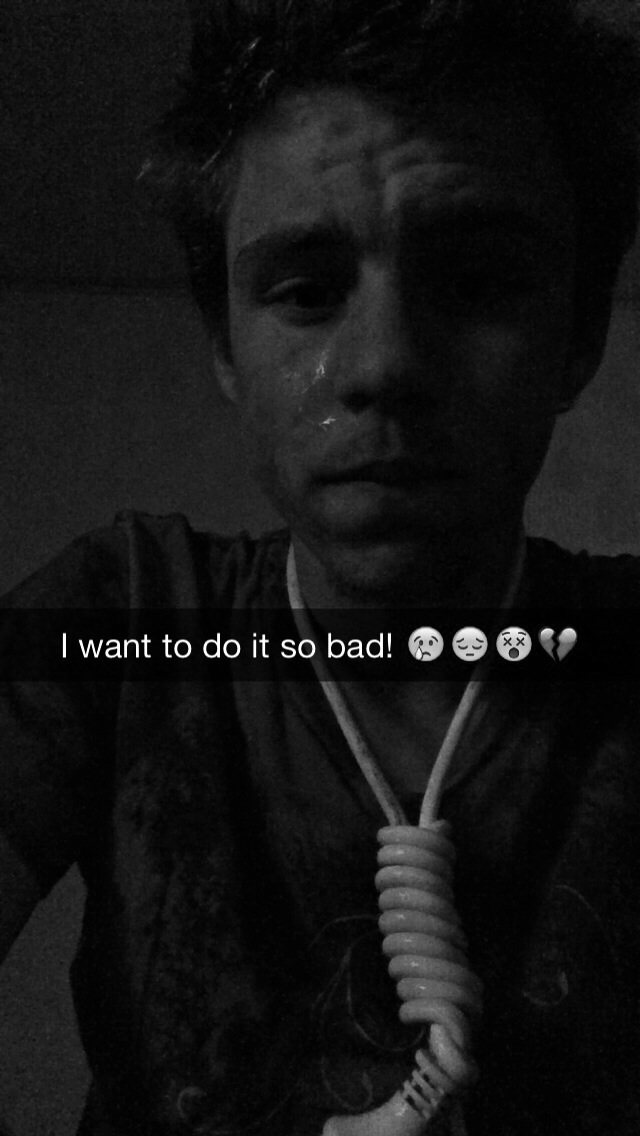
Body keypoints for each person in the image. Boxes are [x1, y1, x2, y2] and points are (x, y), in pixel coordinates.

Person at [2, 1, 640, 1133]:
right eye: (303, 290)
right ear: (224, 347)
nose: (384, 364)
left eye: (479, 281)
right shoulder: (125, 616)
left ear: (579, 337)